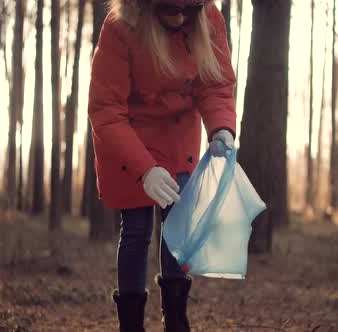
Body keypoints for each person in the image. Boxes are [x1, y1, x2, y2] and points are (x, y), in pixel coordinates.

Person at [88, 0, 236, 330]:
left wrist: (221, 128)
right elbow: (106, 110)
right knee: (137, 229)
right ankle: (130, 324)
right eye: (172, 10)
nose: (181, 17)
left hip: (177, 136)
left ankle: (176, 319)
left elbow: (216, 84)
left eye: (189, 10)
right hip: (128, 139)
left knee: (177, 226)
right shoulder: (120, 26)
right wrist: (144, 168)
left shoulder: (208, 18)